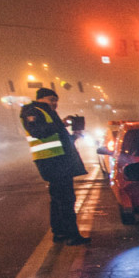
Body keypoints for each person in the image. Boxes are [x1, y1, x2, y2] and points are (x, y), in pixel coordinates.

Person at [20, 88, 91, 245]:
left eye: (56, 100)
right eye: (51, 99)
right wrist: (62, 124)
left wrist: (74, 136)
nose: (55, 103)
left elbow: (59, 140)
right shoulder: (32, 111)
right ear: (40, 98)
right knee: (66, 199)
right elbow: (38, 132)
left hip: (57, 160)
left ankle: (59, 233)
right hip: (51, 161)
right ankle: (72, 236)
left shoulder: (47, 112)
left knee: (58, 199)